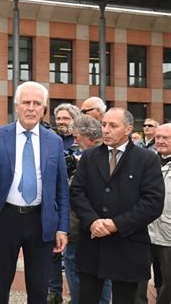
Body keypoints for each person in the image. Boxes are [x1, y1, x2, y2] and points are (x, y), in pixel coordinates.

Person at [70, 107, 164, 304]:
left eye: (113, 125)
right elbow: (77, 193)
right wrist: (93, 221)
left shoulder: (147, 159)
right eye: (103, 124)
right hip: (92, 243)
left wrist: (115, 225)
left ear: (128, 129)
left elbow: (152, 202)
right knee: (87, 298)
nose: (105, 130)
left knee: (126, 299)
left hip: (128, 244)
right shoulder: (89, 157)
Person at [0, 81, 70, 304]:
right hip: (4, 219)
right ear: (16, 106)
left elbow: (62, 189)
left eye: (37, 103)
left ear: (44, 109)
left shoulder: (54, 141)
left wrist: (62, 227)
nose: (31, 108)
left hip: (40, 220)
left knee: (39, 286)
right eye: (26, 102)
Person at [64, 115, 111, 304]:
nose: (74, 141)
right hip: (93, 226)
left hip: (82, 227)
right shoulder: (101, 155)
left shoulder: (93, 157)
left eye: (76, 137)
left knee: (79, 272)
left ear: (87, 135)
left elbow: (79, 194)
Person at [48, 103, 81, 304]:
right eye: (58, 118)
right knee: (52, 252)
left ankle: (75, 296)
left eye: (65, 118)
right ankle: (54, 292)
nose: (61, 122)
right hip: (54, 202)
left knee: (71, 256)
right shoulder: (52, 140)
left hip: (74, 207)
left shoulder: (78, 140)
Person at [145, 123, 171, 304]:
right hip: (145, 231)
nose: (160, 141)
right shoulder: (147, 160)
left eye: (166, 138)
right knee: (139, 278)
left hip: (168, 234)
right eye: (158, 138)